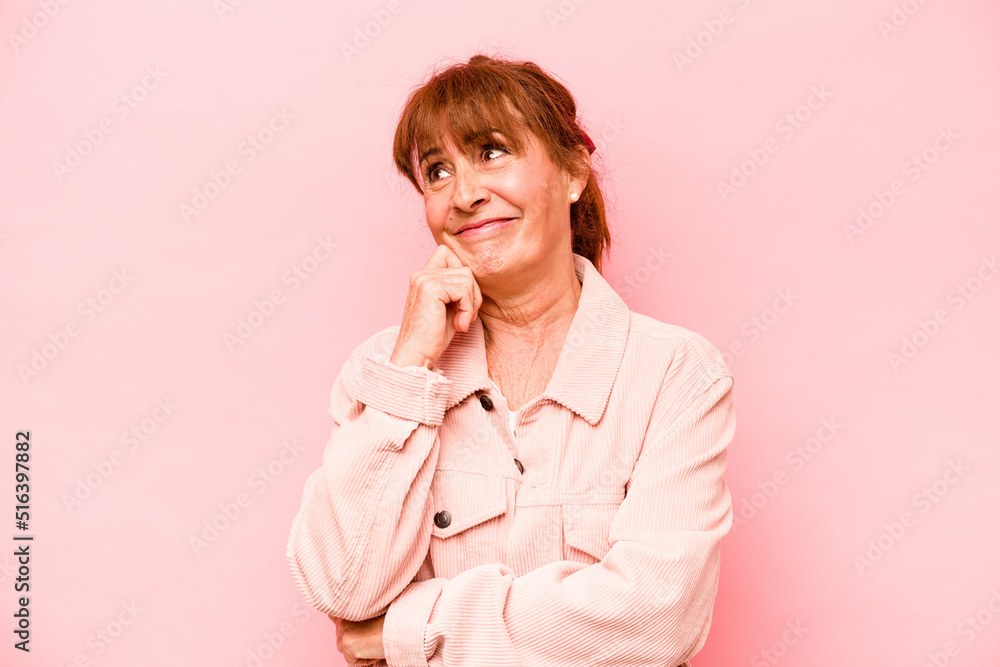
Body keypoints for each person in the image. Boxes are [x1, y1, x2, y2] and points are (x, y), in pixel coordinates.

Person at [285, 53, 736, 667]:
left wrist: (413, 630)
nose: (464, 195)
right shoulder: (385, 370)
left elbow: (658, 615)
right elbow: (344, 587)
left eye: (491, 152)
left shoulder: (676, 374)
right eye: (437, 171)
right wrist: (413, 362)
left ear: (573, 172)